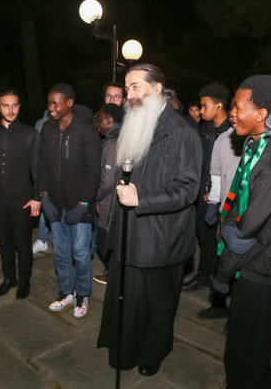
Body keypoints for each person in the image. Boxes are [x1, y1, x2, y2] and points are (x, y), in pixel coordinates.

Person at [97, 63, 202, 376]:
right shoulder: (136, 121)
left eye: (136, 87)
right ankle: (124, 350)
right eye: (127, 88)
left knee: (156, 304)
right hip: (128, 233)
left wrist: (141, 198)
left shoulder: (183, 132)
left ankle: (152, 353)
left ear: (157, 89)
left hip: (160, 238)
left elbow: (188, 190)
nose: (129, 95)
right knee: (127, 301)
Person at [214, 75, 271, 388]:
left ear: (262, 113)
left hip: (261, 270)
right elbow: (239, 195)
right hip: (251, 264)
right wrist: (228, 225)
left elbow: (249, 236)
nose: (232, 114)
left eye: (237, 107)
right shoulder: (259, 143)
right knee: (250, 347)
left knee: (245, 351)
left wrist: (222, 272)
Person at [39, 83, 101, 319]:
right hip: (56, 203)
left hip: (81, 205)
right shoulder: (47, 129)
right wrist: (44, 196)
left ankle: (83, 294)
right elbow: (42, 163)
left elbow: (93, 171)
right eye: (49, 103)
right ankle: (66, 292)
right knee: (61, 252)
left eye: (56, 104)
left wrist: (84, 204)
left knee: (81, 252)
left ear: (69, 103)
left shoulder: (86, 131)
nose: (51, 108)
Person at [0, 88, 40, 299]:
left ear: (19, 106)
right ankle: (9, 278)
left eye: (14, 105)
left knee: (23, 244)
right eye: (5, 105)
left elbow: (37, 169)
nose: (10, 110)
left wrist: (37, 198)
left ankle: (24, 280)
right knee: (4, 243)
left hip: (22, 199)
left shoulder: (31, 134)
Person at [197, 98, 244, 320]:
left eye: (238, 110)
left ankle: (237, 307)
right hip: (225, 211)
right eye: (233, 110)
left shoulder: (258, 142)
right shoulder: (223, 139)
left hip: (246, 213)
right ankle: (219, 302)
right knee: (222, 256)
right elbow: (215, 173)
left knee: (239, 261)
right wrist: (214, 203)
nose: (233, 114)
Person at [183, 82, 230, 293]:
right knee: (204, 238)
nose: (201, 111)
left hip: (221, 197)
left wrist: (216, 192)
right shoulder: (206, 128)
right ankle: (204, 276)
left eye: (205, 106)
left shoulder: (232, 131)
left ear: (219, 106)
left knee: (218, 240)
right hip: (202, 192)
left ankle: (216, 280)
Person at [93, 103, 124, 285]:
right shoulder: (123, 137)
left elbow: (107, 181)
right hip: (116, 201)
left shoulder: (112, 144)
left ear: (109, 120)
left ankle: (115, 277)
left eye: (99, 120)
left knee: (103, 242)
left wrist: (95, 198)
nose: (97, 124)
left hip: (110, 204)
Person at [32, 109, 51, 254]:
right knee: (45, 205)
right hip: (45, 172)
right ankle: (42, 239)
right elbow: (35, 150)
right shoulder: (41, 123)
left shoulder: (71, 121)